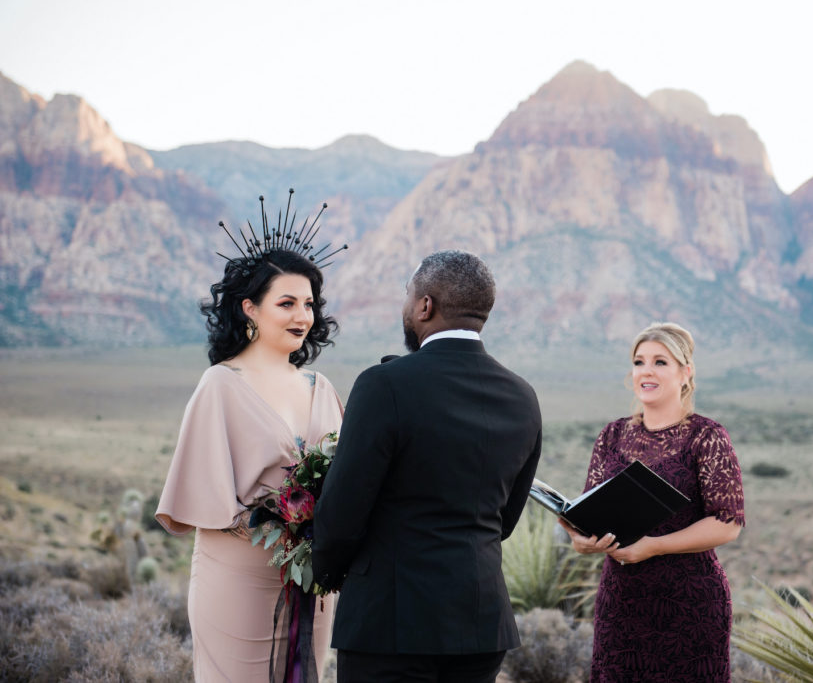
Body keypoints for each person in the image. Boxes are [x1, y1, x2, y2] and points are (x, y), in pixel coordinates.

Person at [312, 249, 543, 683]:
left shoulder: (383, 385)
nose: (406, 306)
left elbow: (342, 509)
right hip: (481, 625)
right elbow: (505, 519)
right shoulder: (523, 396)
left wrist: (326, 571)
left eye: (407, 295)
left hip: (390, 625)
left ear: (425, 306)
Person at [155, 195, 345, 682]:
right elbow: (206, 499)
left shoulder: (322, 389)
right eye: (286, 303)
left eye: (308, 304)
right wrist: (279, 520)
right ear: (249, 309)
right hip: (237, 577)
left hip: (314, 583)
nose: (302, 315)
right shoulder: (220, 384)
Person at [559, 322, 745, 682]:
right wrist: (579, 538)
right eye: (639, 361)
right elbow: (588, 510)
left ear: (685, 373)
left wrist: (654, 547)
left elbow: (728, 523)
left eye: (661, 362)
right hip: (621, 601)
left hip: (691, 602)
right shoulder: (612, 435)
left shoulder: (706, 436)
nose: (646, 371)